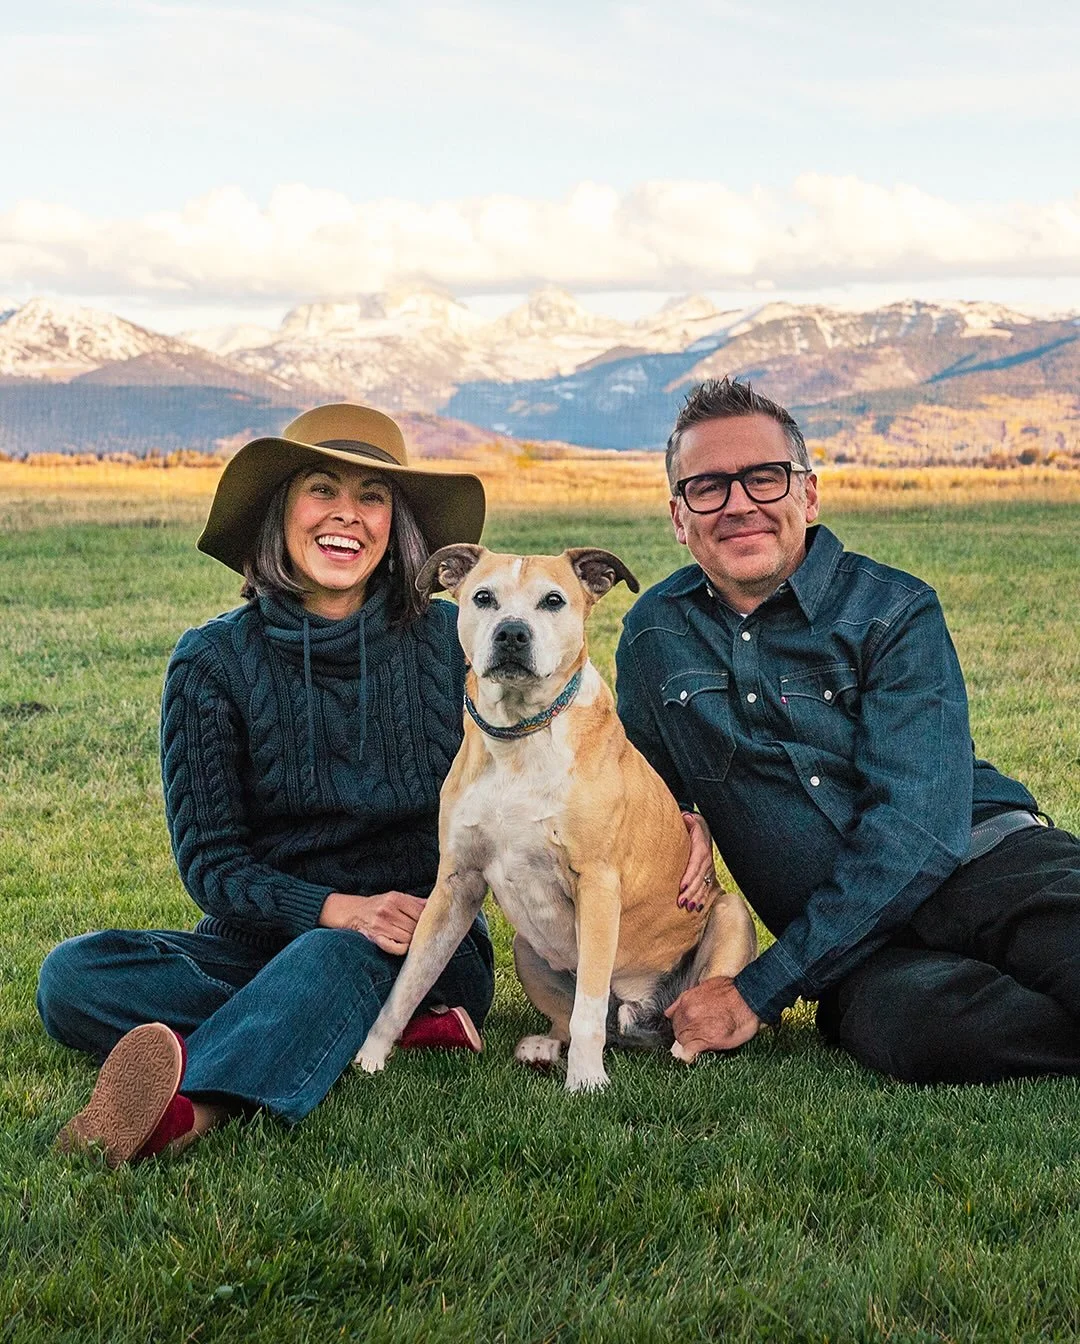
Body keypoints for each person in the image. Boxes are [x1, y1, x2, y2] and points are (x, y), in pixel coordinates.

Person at [38, 403, 498, 1165]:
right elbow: (213, 863)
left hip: (423, 943)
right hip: (261, 944)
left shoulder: (453, 647)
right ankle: (390, 1030)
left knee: (331, 958)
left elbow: (540, 777)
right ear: (281, 512)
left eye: (373, 495)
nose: (347, 515)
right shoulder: (210, 663)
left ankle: (194, 1106)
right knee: (73, 977)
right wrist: (331, 908)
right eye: (323, 489)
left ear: (398, 523)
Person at [615, 377, 1080, 1085]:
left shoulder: (892, 610)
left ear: (807, 493)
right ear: (680, 518)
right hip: (858, 953)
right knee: (919, 1035)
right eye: (708, 487)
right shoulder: (653, 635)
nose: (738, 504)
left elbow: (920, 828)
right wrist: (680, 814)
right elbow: (632, 787)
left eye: (763, 479)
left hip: (990, 864)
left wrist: (758, 989)